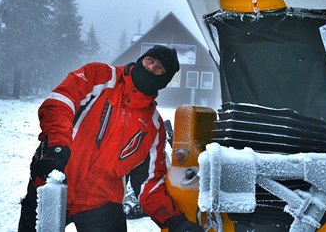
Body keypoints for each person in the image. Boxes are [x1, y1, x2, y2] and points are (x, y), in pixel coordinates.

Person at [18, 45, 203, 232]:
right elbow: (59, 103)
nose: (151, 68)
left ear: (163, 81)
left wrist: (174, 221)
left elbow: (150, 182)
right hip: (52, 182)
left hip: (101, 206)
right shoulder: (99, 76)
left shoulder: (154, 126)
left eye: (159, 69)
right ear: (141, 60)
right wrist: (57, 147)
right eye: (150, 61)